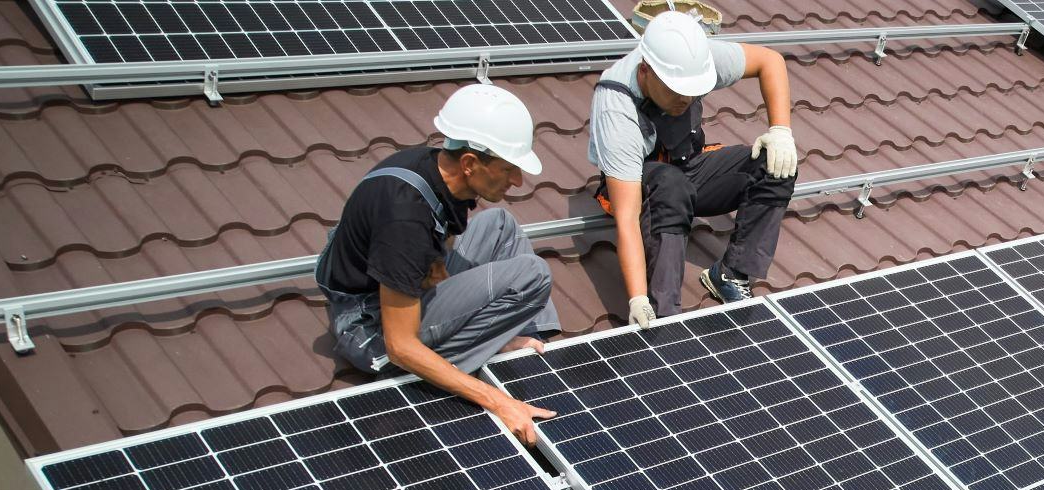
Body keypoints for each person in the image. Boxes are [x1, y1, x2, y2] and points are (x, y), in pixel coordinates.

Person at [314, 83, 558, 444]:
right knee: (533, 276)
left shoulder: (436, 171)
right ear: (471, 163)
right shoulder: (404, 218)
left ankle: (533, 339)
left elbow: (438, 247)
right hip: (371, 328)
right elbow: (400, 345)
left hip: (396, 288)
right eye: (508, 169)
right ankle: (468, 356)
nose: (518, 180)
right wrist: (499, 401)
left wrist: (439, 269)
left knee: (501, 225)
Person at [587, 10, 799, 326]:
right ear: (646, 71)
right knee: (671, 185)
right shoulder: (616, 108)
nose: (685, 99)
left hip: (688, 167)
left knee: (775, 164)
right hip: (638, 186)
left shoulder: (694, 58)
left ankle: (730, 274)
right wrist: (637, 298)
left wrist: (781, 130)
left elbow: (771, 62)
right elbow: (628, 219)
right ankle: (664, 316)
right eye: (675, 90)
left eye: (691, 90)